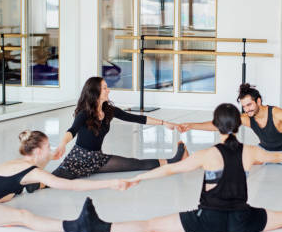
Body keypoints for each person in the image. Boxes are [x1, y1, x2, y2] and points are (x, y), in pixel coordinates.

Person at [72, 103, 282, 232]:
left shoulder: (206, 155)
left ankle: (98, 226)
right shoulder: (252, 153)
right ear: (238, 127)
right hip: (242, 220)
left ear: (216, 126)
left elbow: (170, 170)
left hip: (208, 221)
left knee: (151, 225)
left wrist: (136, 178)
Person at [0, 130, 137, 232]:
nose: (51, 150)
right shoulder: (32, 172)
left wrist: (53, 155)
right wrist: (110, 182)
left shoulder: (20, 163)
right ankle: (77, 225)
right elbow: (70, 185)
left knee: (8, 200)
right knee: (23, 216)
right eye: (48, 147)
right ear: (37, 152)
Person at [32, 77, 187, 189]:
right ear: (95, 92)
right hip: (78, 160)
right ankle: (27, 182)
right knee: (51, 181)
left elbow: (136, 118)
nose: (108, 90)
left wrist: (164, 123)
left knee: (135, 163)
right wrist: (62, 144)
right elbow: (72, 131)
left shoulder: (109, 111)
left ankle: (172, 160)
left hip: (98, 159)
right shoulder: (84, 113)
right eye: (105, 88)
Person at [177, 83, 282, 174]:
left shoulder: (276, 113)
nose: (247, 109)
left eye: (250, 105)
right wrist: (191, 125)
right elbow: (218, 125)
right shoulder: (247, 118)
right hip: (264, 152)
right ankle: (188, 158)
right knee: (228, 159)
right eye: (244, 106)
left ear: (258, 101)